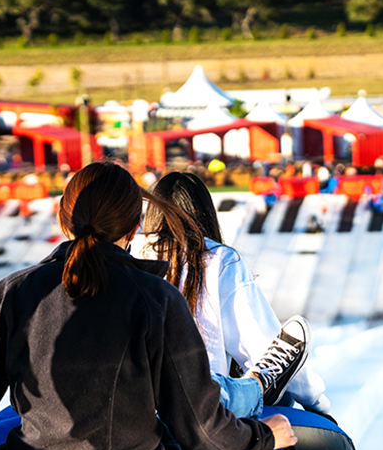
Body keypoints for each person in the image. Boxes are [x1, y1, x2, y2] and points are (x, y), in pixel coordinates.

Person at [0, 162, 297, 450]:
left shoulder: (12, 292)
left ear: (62, 220)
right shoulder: (159, 298)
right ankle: (260, 385)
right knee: (220, 396)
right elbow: (200, 430)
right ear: (135, 227)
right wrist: (265, 436)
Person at [137, 171, 332, 419]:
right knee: (283, 400)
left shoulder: (128, 255)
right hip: (201, 416)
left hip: (136, 414)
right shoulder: (217, 260)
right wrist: (317, 400)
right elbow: (266, 349)